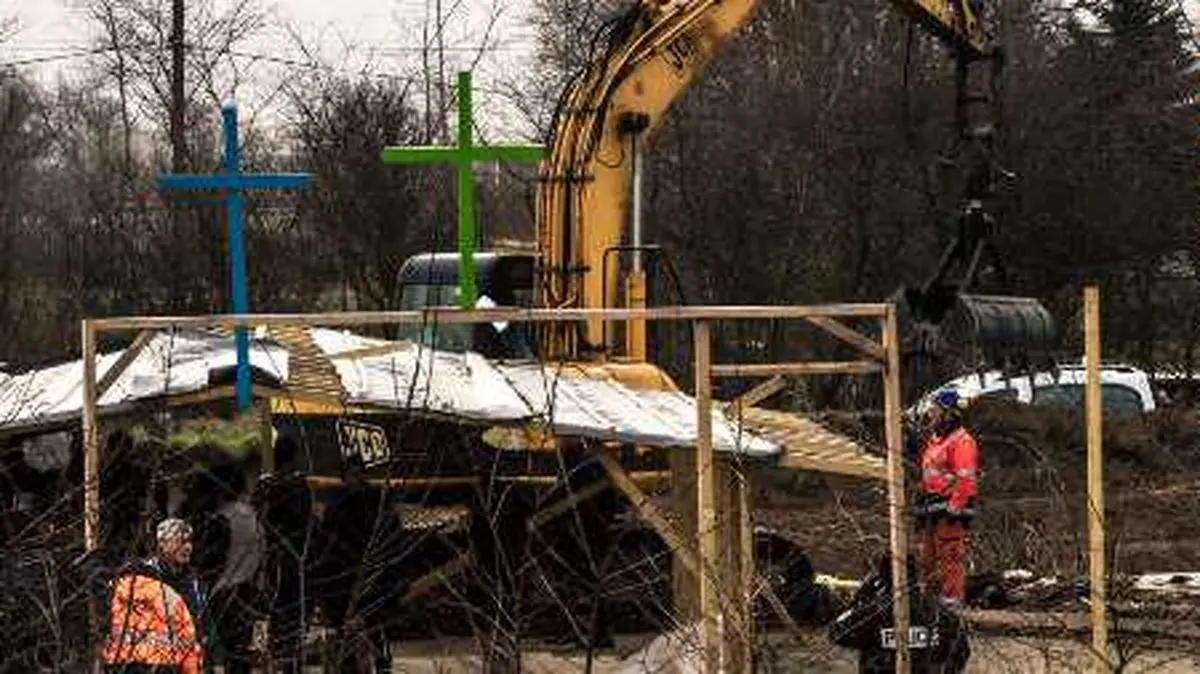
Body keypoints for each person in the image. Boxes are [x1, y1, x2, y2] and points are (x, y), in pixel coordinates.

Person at [100, 518, 209, 674]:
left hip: (180, 666)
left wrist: (216, 659)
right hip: (138, 665)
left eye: (189, 542)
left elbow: (204, 625)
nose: (187, 547)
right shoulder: (137, 575)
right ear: (162, 544)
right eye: (180, 541)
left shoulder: (194, 583)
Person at [829, 554, 970, 673]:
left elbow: (837, 632)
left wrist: (861, 599)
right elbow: (961, 651)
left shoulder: (873, 614)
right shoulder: (940, 614)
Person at [913, 389, 979, 607]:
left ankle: (952, 599)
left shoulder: (962, 441)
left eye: (935, 411)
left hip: (950, 507)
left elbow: (966, 478)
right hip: (932, 505)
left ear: (948, 414)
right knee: (927, 555)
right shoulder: (936, 441)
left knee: (950, 554)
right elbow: (930, 474)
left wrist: (955, 508)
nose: (930, 416)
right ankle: (929, 599)